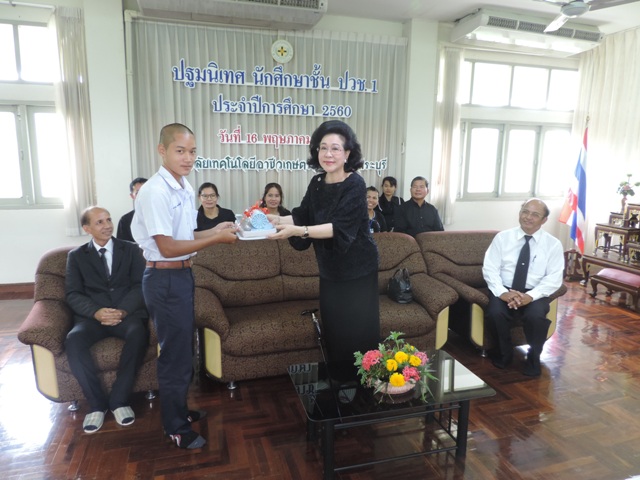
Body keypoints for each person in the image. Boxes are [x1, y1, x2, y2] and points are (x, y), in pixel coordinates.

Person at [131, 123, 237, 449]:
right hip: (163, 278)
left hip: (181, 276)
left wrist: (215, 229)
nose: (188, 158)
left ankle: (180, 410)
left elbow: (186, 236)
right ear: (162, 151)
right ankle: (175, 427)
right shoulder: (155, 191)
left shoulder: (183, 186)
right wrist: (217, 239)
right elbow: (166, 247)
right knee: (174, 354)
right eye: (180, 151)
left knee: (184, 349)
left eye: (192, 151)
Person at [268, 120, 379, 374]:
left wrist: (299, 230)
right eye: (323, 148)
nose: (328, 154)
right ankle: (339, 381)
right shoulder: (317, 182)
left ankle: (364, 384)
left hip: (358, 271)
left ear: (347, 153)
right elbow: (302, 215)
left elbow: (338, 228)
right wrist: (276, 220)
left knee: (358, 331)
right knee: (334, 329)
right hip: (330, 270)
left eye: (335, 148)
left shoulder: (355, 184)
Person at [65, 206, 148, 434]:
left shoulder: (131, 250)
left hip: (125, 314)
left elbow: (140, 285)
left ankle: (119, 401)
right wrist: (96, 312)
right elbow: (73, 293)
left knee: (138, 333)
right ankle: (97, 405)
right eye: (100, 222)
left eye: (109, 220)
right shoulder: (76, 256)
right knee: (73, 340)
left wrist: (122, 311)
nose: (107, 225)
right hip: (93, 317)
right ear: (87, 228)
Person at [482, 198, 564, 377]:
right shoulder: (503, 238)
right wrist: (502, 292)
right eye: (525, 212)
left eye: (535, 214)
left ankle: (533, 357)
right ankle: (504, 354)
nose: (528, 217)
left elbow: (554, 278)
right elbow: (490, 268)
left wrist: (531, 296)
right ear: (520, 213)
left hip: (535, 292)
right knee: (495, 313)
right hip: (505, 289)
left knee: (536, 316)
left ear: (544, 220)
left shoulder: (553, 244)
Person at [117, 177, 147, 242]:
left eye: (146, 191)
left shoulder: (164, 213)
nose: (143, 195)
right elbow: (122, 245)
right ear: (132, 196)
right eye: (138, 193)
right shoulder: (125, 220)